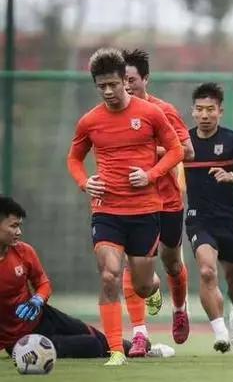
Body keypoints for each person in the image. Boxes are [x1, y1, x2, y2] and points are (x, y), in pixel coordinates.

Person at [67, 47, 184, 366]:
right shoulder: (90, 121)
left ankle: (153, 287)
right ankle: (116, 349)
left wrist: (151, 175)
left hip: (145, 211)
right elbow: (74, 158)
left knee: (142, 285)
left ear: (124, 81)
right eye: (101, 86)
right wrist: (85, 182)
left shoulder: (150, 113)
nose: (108, 91)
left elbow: (176, 150)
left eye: (113, 84)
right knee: (110, 275)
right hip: (106, 210)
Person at [122, 48, 195, 353]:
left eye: (131, 80)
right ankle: (139, 333)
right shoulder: (113, 114)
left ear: (145, 79)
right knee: (132, 265)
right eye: (122, 80)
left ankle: (179, 309)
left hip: (167, 200)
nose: (126, 86)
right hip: (133, 201)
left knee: (172, 262)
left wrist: (150, 153)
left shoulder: (163, 110)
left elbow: (188, 150)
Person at [184, 82, 233, 355]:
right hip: (198, 218)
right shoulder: (183, 142)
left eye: (210, 109)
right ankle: (220, 333)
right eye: (200, 109)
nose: (205, 115)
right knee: (207, 271)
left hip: (229, 220)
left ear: (220, 111)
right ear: (193, 111)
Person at [0, 196, 128, 359]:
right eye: (13, 226)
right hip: (22, 341)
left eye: (19, 226)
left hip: (46, 316)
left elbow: (43, 283)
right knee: (92, 345)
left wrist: (37, 299)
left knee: (105, 341)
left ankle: (140, 349)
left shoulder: (24, 251)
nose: (19, 232)